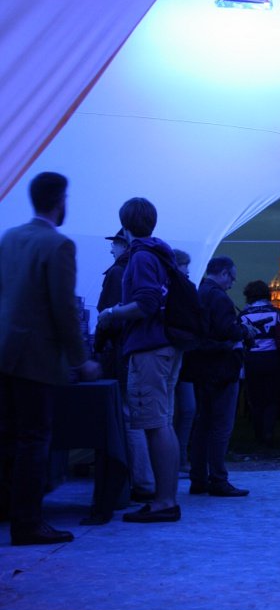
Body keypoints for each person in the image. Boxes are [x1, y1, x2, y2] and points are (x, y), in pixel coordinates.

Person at [0, 172, 101, 546]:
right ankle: (27, 523)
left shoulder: (9, 238)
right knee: (34, 439)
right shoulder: (58, 245)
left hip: (4, 352)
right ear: (61, 200)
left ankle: (8, 510)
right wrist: (82, 360)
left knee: (8, 436)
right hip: (36, 358)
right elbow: (62, 309)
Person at [97, 198, 182, 523]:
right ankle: (167, 498)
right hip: (163, 346)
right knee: (163, 421)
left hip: (148, 347)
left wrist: (112, 314)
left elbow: (146, 303)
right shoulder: (160, 253)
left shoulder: (141, 257)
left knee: (154, 423)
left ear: (125, 225)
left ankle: (163, 502)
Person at [188, 256, 257, 497]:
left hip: (201, 366)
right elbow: (228, 330)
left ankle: (198, 478)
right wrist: (244, 331)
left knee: (202, 424)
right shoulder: (219, 297)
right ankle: (218, 478)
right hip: (222, 367)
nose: (232, 284)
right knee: (221, 425)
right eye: (232, 278)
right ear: (224, 273)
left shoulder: (199, 292)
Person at [95, 228, 155, 503]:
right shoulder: (143, 266)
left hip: (119, 352)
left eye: (115, 244)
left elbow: (107, 317)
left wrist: (97, 348)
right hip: (137, 349)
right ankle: (145, 479)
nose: (111, 250)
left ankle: (141, 481)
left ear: (124, 243)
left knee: (127, 416)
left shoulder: (118, 271)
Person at [238, 280, 280, 445]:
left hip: (252, 359)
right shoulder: (276, 313)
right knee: (272, 397)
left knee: (255, 398)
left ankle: (258, 433)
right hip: (272, 358)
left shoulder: (243, 315)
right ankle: (269, 433)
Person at [172, 249, 197, 476]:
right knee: (174, 412)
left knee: (187, 410)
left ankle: (180, 458)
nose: (188, 270)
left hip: (185, 359)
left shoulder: (188, 288)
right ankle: (175, 460)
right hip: (173, 356)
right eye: (184, 265)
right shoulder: (170, 289)